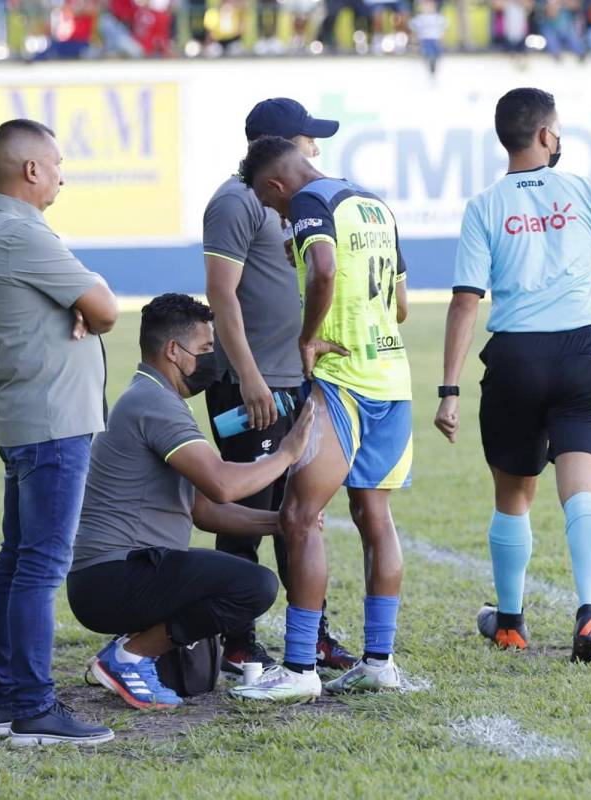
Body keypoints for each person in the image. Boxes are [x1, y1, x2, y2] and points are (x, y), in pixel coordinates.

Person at [433, 88, 591, 663]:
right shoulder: (582, 191)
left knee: (513, 496)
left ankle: (511, 624)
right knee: (582, 489)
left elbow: (466, 302)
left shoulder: (484, 206)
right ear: (547, 136)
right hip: (582, 355)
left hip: (516, 359)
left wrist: (448, 390)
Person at [68, 294, 318, 709]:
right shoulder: (154, 403)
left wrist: (279, 521)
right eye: (204, 350)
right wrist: (286, 454)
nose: (211, 361)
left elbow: (204, 510)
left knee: (195, 674)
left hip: (113, 575)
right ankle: (130, 656)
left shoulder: (155, 398)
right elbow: (221, 484)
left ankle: (131, 649)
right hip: (113, 577)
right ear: (173, 351)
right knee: (252, 586)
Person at [230, 136, 413, 703]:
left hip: (345, 384)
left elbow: (326, 271)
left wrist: (309, 337)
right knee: (374, 516)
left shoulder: (311, 202)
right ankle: (379, 661)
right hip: (393, 378)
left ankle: (301, 666)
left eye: (273, 206)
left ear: (275, 186)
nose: (280, 217)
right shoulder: (373, 203)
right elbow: (401, 306)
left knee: (300, 515)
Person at [0, 119, 119, 746]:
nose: (62, 174)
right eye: (55, 164)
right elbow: (105, 306)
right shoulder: (17, 234)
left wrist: (79, 307)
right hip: (52, 423)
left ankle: (6, 702)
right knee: (40, 567)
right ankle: (32, 706)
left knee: (18, 561)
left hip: (34, 416)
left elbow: (88, 308)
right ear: (30, 170)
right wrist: (84, 306)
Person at [202, 98, 357, 677]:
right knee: (248, 512)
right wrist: (248, 378)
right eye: (306, 139)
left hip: (297, 384)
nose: (315, 149)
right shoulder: (235, 200)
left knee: (301, 514)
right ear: (279, 147)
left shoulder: (298, 203)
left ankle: (309, 633)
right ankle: (237, 640)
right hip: (253, 387)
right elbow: (221, 296)